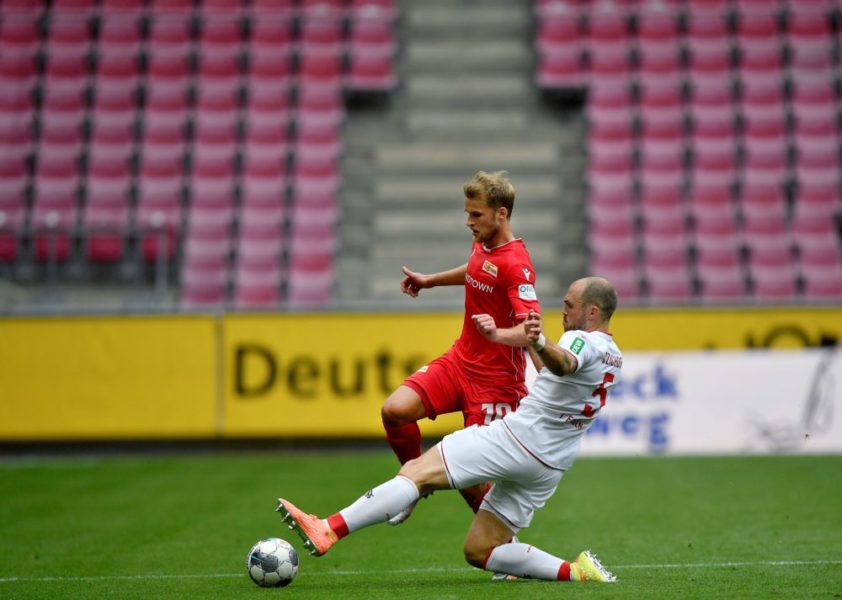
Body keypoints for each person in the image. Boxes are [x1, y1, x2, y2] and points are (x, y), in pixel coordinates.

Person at [278, 277, 623, 583]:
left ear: (592, 312)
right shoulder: (613, 355)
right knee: (481, 550)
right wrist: (518, 338)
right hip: (549, 465)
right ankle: (576, 571)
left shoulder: (580, 340)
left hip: (517, 440)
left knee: (416, 472)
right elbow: (555, 367)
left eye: (569, 305)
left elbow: (564, 363)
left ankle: (328, 529)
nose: (563, 310)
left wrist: (542, 341)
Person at [381, 170, 542, 524]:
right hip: (459, 363)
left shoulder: (517, 266)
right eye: (467, 213)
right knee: (394, 411)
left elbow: (531, 330)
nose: (468, 221)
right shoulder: (484, 244)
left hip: (496, 381)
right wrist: (430, 281)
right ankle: (413, 484)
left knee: (468, 477)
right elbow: (476, 269)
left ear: (501, 213)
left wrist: (498, 334)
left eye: (476, 214)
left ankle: (501, 546)